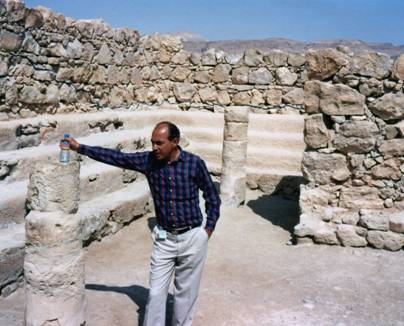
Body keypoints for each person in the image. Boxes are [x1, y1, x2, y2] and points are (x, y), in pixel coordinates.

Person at [64, 121, 221, 326]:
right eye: (152, 142)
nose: (154, 147)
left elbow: (212, 196)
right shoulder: (148, 161)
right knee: (156, 294)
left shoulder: (194, 163)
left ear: (175, 142)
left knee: (185, 295)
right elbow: (116, 157)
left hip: (192, 237)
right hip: (164, 239)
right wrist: (80, 148)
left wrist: (207, 230)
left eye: (159, 143)